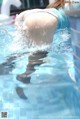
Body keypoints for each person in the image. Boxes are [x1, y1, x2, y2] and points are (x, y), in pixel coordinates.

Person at [15, 0, 80, 99]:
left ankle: (6, 66)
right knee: (38, 57)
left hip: (29, 15)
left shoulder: (63, 3)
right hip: (44, 21)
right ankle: (24, 77)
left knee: (19, 51)